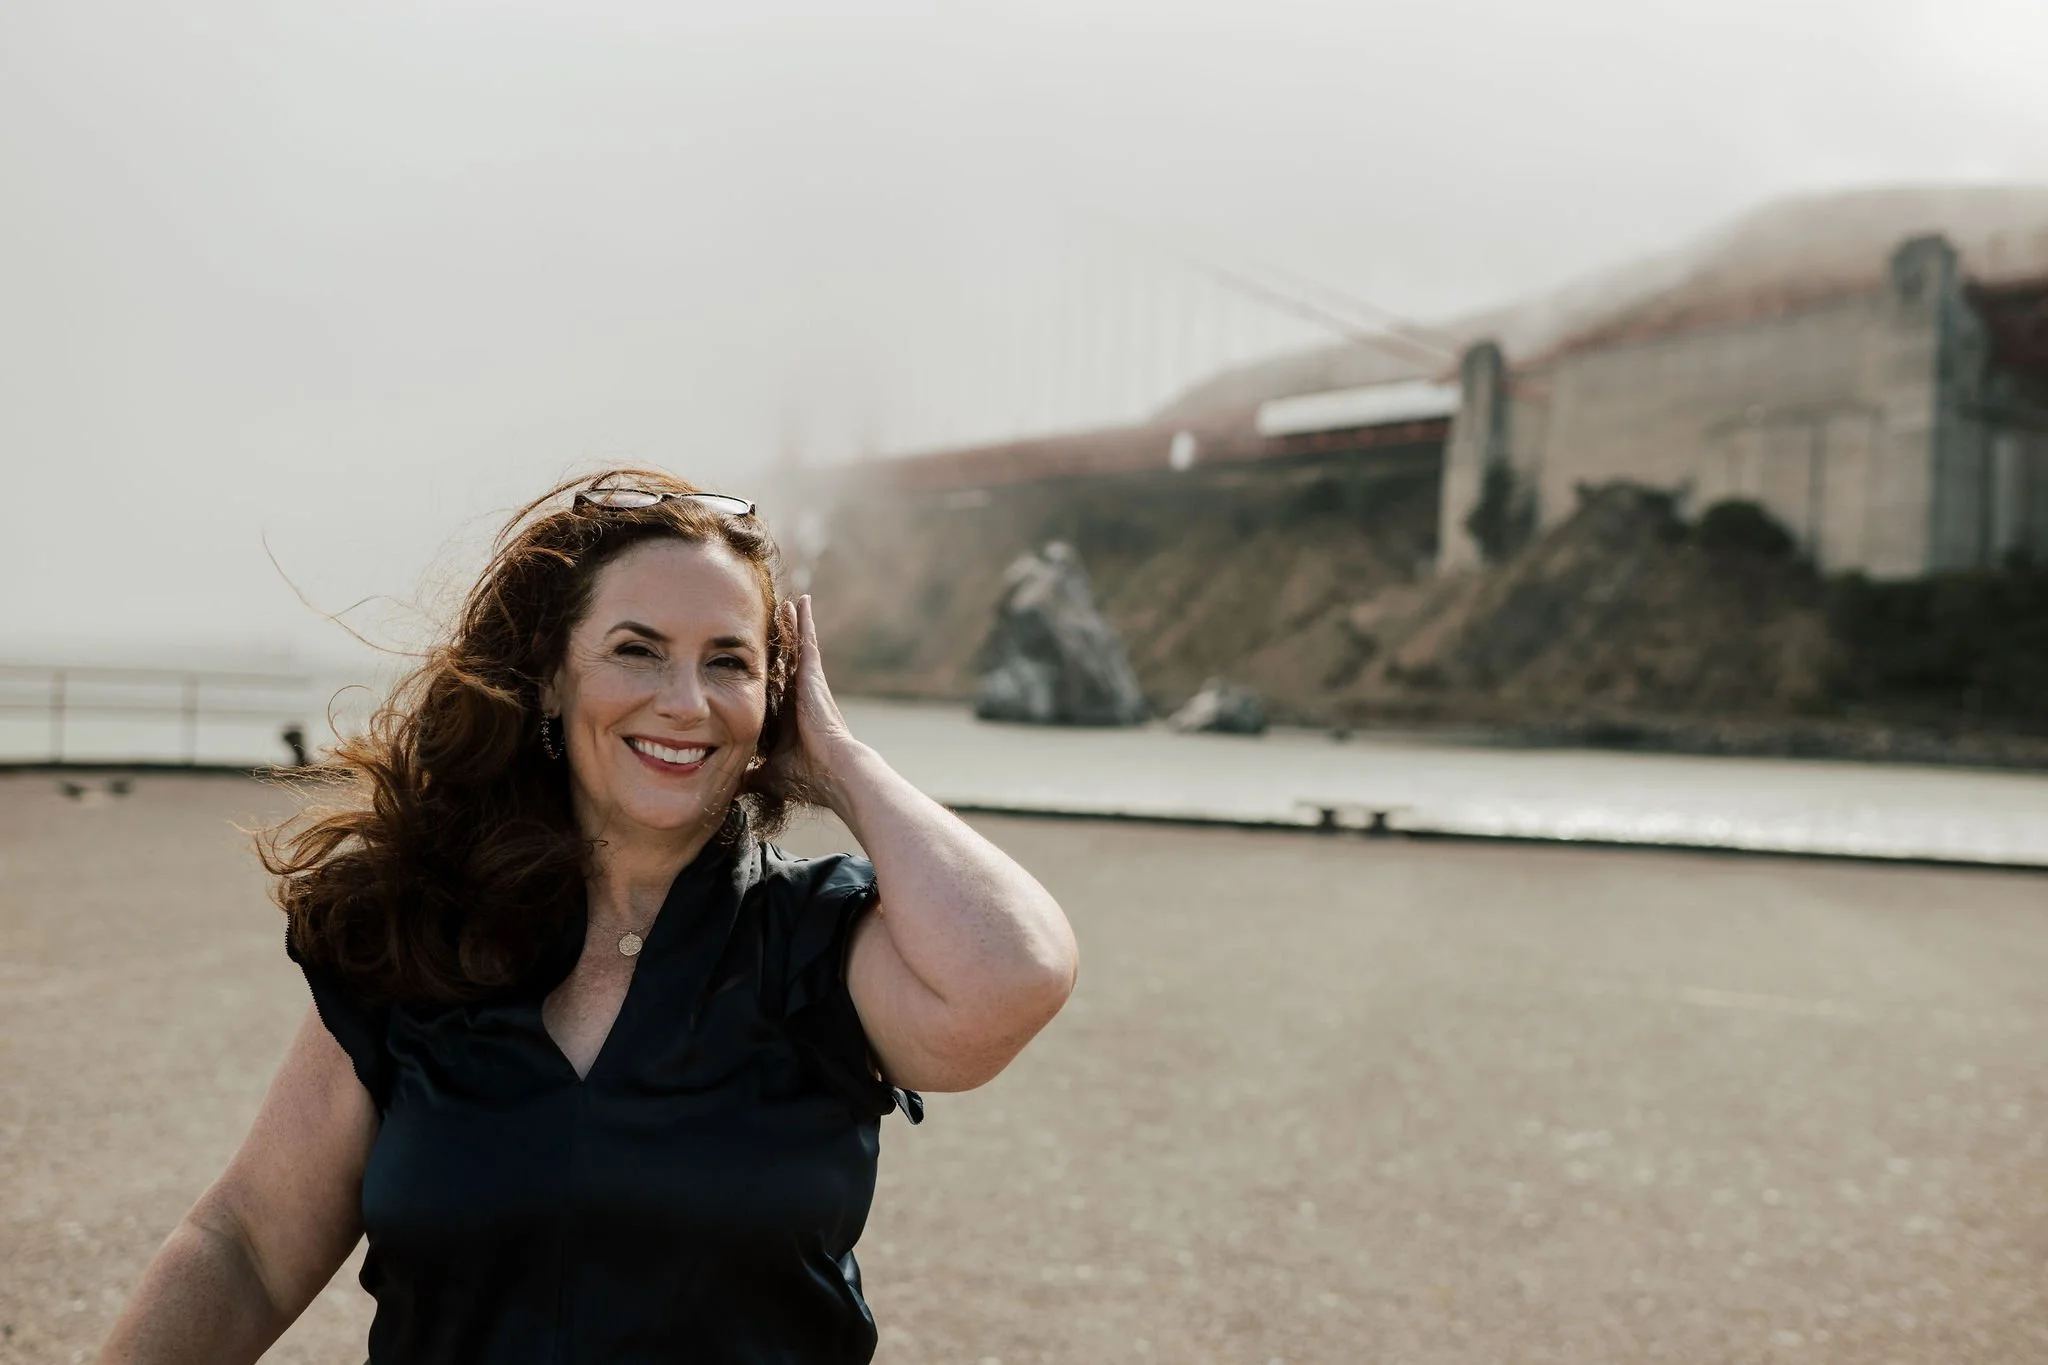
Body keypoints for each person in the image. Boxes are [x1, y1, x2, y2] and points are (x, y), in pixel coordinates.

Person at [96, 470, 1080, 1364]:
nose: (685, 701)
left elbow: (1017, 971)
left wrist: (838, 765)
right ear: (553, 676)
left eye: (727, 662)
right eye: (636, 651)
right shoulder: (422, 933)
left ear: (773, 698)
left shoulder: (817, 943)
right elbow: (250, 1246)